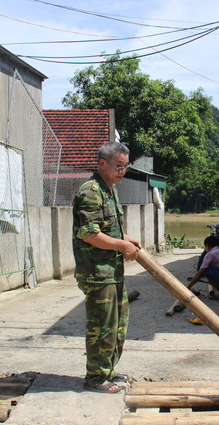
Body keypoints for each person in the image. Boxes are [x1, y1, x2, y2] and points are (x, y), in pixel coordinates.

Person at [72, 141, 142, 393]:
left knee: (117, 324)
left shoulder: (109, 189)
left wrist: (126, 239)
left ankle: (108, 370)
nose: (122, 171)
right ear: (102, 164)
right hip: (97, 272)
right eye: (118, 166)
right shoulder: (91, 191)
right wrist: (122, 246)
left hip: (112, 271)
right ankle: (95, 378)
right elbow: (90, 235)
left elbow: (107, 230)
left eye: (125, 167)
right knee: (102, 326)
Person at [186, 235, 219, 300]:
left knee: (207, 271)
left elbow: (200, 273)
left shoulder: (210, 254)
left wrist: (187, 287)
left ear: (207, 246)